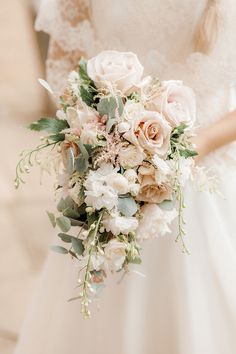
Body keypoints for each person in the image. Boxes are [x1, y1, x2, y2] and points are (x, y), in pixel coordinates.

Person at [14, 1, 236, 353]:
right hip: (107, 177)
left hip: (201, 185)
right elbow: (65, 63)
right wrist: (89, 134)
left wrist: (197, 144)